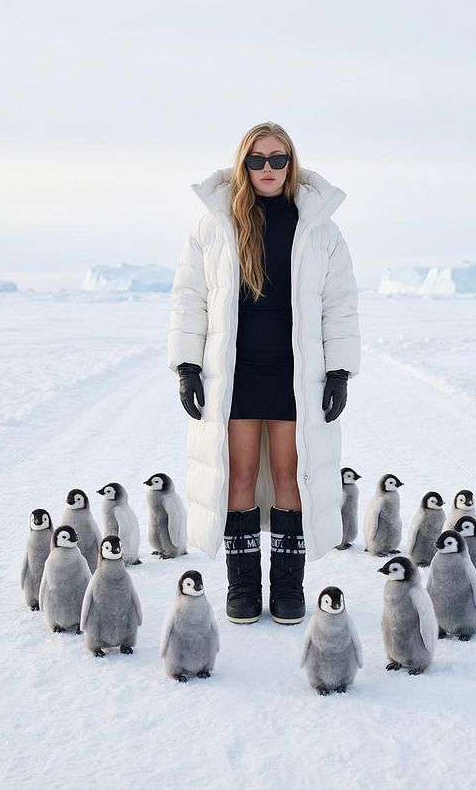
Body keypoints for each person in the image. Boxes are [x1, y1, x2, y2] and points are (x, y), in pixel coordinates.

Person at [167, 121, 360, 626]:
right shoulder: (214, 225)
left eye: (278, 159)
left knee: (290, 476)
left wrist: (338, 370)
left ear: (291, 164)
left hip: (296, 375)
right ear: (243, 165)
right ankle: (243, 589)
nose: (268, 169)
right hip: (235, 375)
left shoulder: (318, 227)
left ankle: (290, 590)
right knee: (240, 478)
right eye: (257, 160)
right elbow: (191, 298)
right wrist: (187, 364)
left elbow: (339, 303)